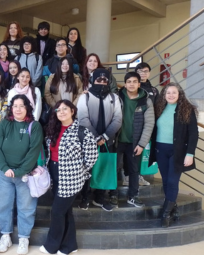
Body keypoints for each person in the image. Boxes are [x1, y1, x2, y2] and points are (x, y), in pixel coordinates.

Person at [40, 100, 98, 255]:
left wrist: (80, 171)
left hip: (72, 177)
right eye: (58, 110)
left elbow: (92, 156)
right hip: (54, 172)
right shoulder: (53, 129)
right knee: (66, 211)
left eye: (65, 109)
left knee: (57, 211)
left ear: (73, 111)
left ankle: (51, 245)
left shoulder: (82, 131)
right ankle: (69, 246)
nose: (62, 112)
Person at [0, 95, 43, 254]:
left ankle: (23, 238)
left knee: (26, 207)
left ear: (28, 107)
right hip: (4, 174)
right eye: (15, 106)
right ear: (11, 108)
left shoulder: (34, 126)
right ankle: (5, 236)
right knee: (4, 205)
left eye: (21, 106)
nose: (18, 109)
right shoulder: (5, 123)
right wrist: (4, 167)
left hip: (25, 175)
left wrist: (20, 171)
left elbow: (33, 152)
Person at [150, 83, 198, 227]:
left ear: (179, 95)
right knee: (165, 181)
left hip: (178, 152)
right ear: (164, 95)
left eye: (174, 93)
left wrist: (190, 154)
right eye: (168, 93)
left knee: (172, 181)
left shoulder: (187, 110)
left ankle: (166, 213)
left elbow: (193, 134)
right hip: (160, 150)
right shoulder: (158, 108)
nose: (170, 95)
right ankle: (173, 208)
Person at [76, 69, 122, 211]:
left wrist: (105, 137)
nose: (102, 82)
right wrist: (95, 137)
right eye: (98, 80)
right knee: (87, 168)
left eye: (104, 80)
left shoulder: (114, 98)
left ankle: (100, 197)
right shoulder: (85, 97)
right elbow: (83, 118)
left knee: (104, 167)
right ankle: (85, 196)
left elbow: (118, 119)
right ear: (93, 81)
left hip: (108, 141)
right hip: (89, 140)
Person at [110, 72, 155, 208]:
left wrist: (142, 144)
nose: (131, 84)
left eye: (134, 81)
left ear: (139, 84)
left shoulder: (145, 101)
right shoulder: (117, 97)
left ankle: (133, 196)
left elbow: (149, 124)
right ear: (125, 84)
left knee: (134, 170)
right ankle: (113, 195)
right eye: (129, 81)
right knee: (115, 168)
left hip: (135, 142)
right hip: (118, 140)